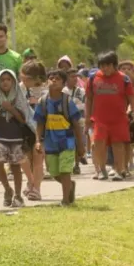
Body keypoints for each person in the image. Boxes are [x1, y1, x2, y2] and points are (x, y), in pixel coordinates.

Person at [34, 70, 84, 206]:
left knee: (65, 170)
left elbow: (77, 125)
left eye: (57, 79)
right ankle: (70, 186)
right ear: (46, 82)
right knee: (54, 172)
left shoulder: (68, 101)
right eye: (51, 78)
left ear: (63, 83)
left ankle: (65, 200)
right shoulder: (43, 102)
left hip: (66, 142)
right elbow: (39, 123)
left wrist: (81, 145)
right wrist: (38, 141)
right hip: (50, 143)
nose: (54, 80)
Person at [86, 51, 134, 183]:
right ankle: (102, 170)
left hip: (118, 119)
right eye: (102, 65)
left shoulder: (123, 79)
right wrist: (87, 118)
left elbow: (131, 96)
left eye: (108, 65)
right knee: (98, 144)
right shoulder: (93, 79)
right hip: (99, 119)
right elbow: (89, 99)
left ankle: (119, 170)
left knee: (118, 144)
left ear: (114, 65)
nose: (105, 68)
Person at [0, 69, 31, 208]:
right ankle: (7, 189)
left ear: (13, 81)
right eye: (2, 80)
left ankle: (18, 196)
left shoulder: (19, 95)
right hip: (1, 136)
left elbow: (23, 119)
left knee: (15, 166)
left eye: (8, 79)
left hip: (16, 137)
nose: (5, 82)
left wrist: (11, 109)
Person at [20, 61, 48, 201]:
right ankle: (30, 181)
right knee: (26, 158)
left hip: (41, 128)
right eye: (22, 77)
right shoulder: (20, 89)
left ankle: (36, 188)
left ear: (38, 78)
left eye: (28, 78)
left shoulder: (46, 91)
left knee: (38, 159)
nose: (24, 81)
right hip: (24, 127)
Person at [65, 69, 88, 169]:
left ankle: (77, 164)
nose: (75, 79)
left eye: (76, 76)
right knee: (69, 142)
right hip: (65, 119)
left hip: (78, 119)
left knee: (78, 141)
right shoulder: (63, 90)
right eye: (72, 76)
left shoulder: (80, 90)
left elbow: (83, 105)